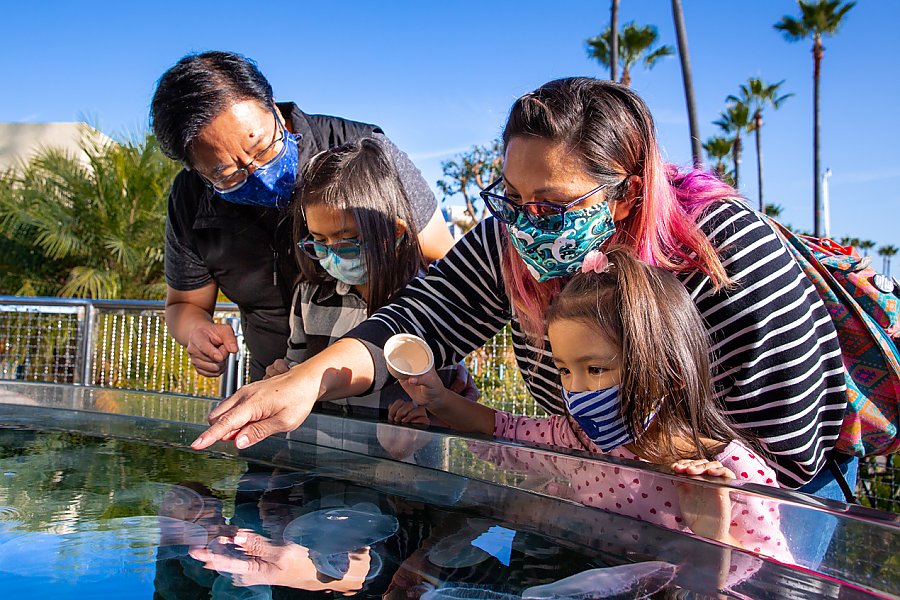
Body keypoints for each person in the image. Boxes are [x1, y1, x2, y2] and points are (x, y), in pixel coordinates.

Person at [191, 77, 849, 498]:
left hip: (748, 510)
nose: (524, 224)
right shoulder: (508, 242)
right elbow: (422, 315)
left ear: (628, 195)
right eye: (511, 197)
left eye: (552, 202)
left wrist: (684, 509)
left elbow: (784, 444)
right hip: (615, 498)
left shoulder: (725, 251)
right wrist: (311, 379)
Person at [390, 247, 792, 561]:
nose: (577, 390)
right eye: (565, 371)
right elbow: (503, 432)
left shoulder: (735, 476)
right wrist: (438, 399)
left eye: (596, 369)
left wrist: (713, 537)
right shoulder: (578, 440)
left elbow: (769, 584)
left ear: (668, 371)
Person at [150, 51, 454, 381]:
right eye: (227, 174)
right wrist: (198, 332)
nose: (259, 174)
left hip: (396, 382)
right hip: (275, 382)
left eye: (263, 147)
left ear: (274, 108)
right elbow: (184, 305)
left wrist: (446, 364)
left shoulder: (362, 151)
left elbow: (445, 267)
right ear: (197, 170)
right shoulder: (190, 198)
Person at [264, 138, 461, 417]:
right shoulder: (310, 296)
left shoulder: (426, 304)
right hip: (322, 452)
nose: (332, 255)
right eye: (319, 243)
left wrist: (425, 424)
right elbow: (295, 365)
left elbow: (448, 398)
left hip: (396, 458)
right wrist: (282, 377)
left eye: (346, 244)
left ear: (394, 233)